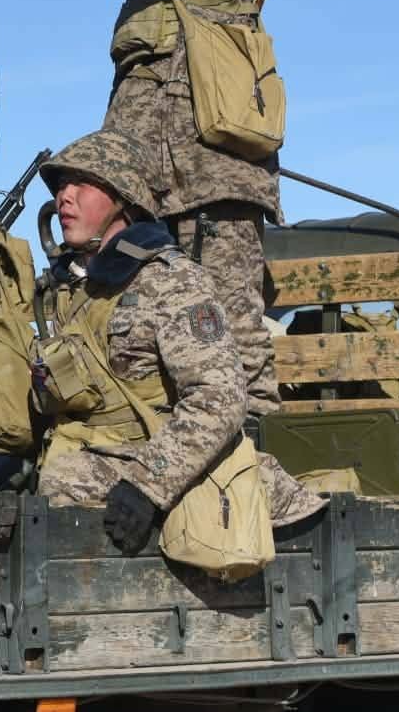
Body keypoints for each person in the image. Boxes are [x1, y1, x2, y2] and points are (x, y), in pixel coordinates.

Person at [18, 0, 283, 420]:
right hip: (142, 177)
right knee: (131, 318)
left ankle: (252, 455)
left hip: (213, 171)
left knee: (230, 324)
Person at [30, 130, 321, 554]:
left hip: (162, 461)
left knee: (64, 480)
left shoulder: (170, 282)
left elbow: (219, 398)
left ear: (124, 197)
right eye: (60, 187)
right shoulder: (65, 292)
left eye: (81, 184)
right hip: (91, 451)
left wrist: (149, 484)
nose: (64, 198)